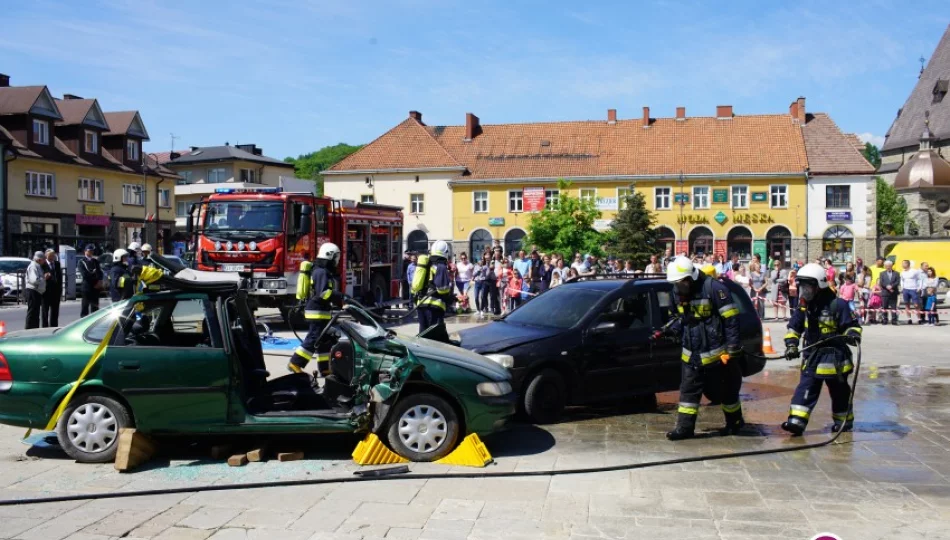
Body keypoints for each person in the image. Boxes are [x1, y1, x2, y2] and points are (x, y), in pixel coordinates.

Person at [660, 257, 744, 440]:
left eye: (680, 283)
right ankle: (684, 429)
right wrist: (670, 331)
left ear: (690, 278)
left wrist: (732, 347)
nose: (677, 287)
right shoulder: (676, 291)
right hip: (691, 353)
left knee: (726, 391)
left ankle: (735, 423)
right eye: (675, 283)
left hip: (717, 354)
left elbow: (731, 320)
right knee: (688, 391)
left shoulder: (714, 289)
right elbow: (676, 318)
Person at [782, 263, 862, 436]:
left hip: (836, 358)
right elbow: (794, 328)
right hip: (812, 356)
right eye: (802, 286)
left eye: (807, 287)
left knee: (840, 392)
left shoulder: (837, 304)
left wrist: (852, 335)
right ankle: (796, 422)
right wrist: (791, 345)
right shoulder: (804, 307)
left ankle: (844, 423)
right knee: (806, 388)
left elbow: (851, 325)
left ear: (819, 285)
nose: (804, 291)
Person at [288, 243, 345, 374]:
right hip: (316, 312)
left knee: (326, 339)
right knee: (314, 338)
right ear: (329, 256)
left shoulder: (322, 271)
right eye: (336, 257)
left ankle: (324, 368)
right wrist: (341, 296)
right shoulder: (321, 272)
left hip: (321, 311)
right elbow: (324, 293)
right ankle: (295, 363)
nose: (337, 260)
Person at [415, 241, 454, 340]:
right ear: (446, 252)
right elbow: (443, 290)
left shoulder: (427, 263)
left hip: (421, 304)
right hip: (434, 306)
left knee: (423, 334)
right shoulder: (441, 266)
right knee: (435, 337)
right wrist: (451, 298)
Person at [24, 251, 47, 330]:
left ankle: (34, 328)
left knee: (36, 311)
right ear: (39, 259)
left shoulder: (37, 266)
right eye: (44, 259)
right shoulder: (33, 266)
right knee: (32, 311)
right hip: (33, 290)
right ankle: (29, 328)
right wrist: (43, 278)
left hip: (37, 291)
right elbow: (34, 280)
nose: (44, 261)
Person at [79, 244, 103, 317]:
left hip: (96, 288)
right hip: (87, 287)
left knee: (95, 307)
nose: (91, 252)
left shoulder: (95, 261)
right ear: (85, 252)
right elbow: (85, 274)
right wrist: (94, 281)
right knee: (85, 306)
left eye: (92, 251)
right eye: (89, 251)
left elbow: (100, 272)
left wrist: (99, 281)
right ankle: (83, 322)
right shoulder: (82, 262)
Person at [41, 248, 62, 327]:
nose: (52, 257)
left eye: (53, 256)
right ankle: (45, 327)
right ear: (46, 256)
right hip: (46, 291)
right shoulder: (43, 265)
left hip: (56, 291)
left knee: (55, 311)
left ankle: (54, 326)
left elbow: (59, 277)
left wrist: (60, 289)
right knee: (45, 312)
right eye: (50, 256)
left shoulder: (57, 264)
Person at [899, 259, 922, 325]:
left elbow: (920, 279)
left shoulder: (914, 271)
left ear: (907, 264)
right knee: (907, 304)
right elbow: (902, 280)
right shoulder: (902, 272)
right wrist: (902, 287)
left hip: (914, 289)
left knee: (916, 305)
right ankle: (909, 319)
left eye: (903, 263)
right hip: (906, 289)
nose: (902, 265)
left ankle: (919, 319)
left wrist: (919, 287)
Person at [877, 260, 900, 325]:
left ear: (891, 266)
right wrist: (887, 286)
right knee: (884, 307)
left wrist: (891, 286)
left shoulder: (896, 273)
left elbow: (897, 282)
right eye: (886, 266)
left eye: (889, 266)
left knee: (893, 307)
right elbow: (881, 282)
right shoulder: (882, 273)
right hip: (885, 292)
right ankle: (885, 319)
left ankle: (894, 320)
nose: (888, 267)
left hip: (893, 292)